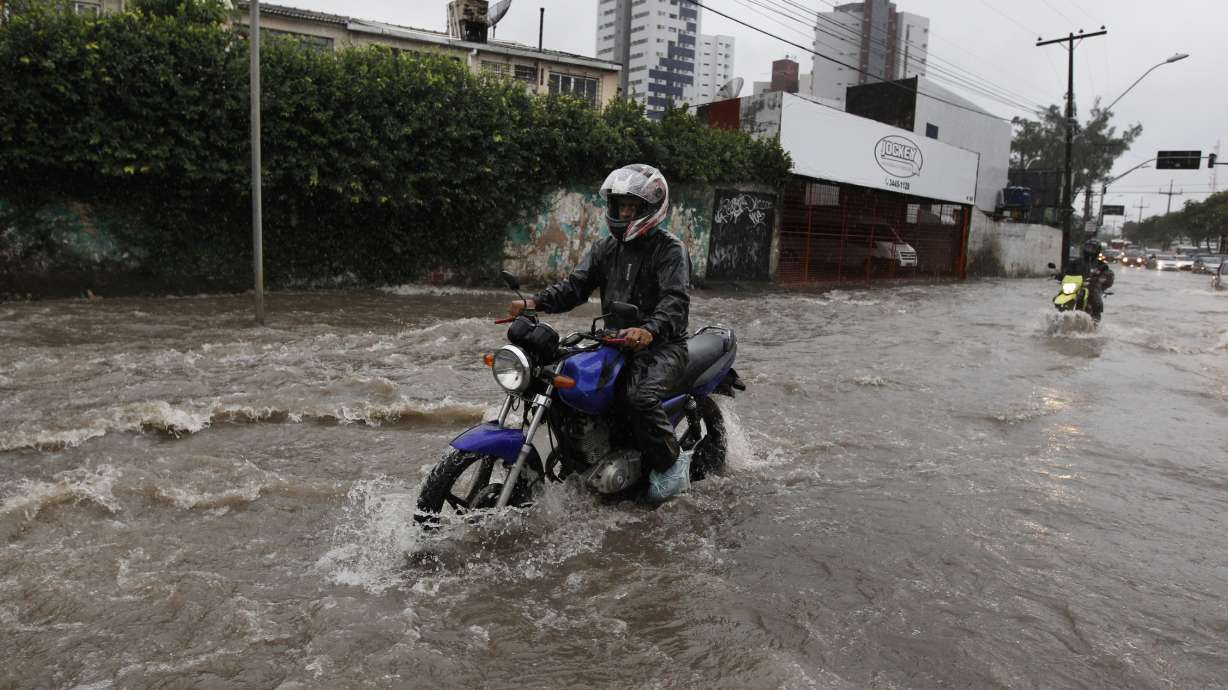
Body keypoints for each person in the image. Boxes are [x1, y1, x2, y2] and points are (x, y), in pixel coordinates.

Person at [507, 164, 692, 501]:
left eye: (631, 207)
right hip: (616, 342)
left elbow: (674, 302)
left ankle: (672, 467)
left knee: (639, 397)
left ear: (650, 208)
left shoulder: (669, 250)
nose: (623, 213)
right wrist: (535, 302)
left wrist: (649, 329)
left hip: (662, 346)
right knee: (564, 380)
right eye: (620, 206)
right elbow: (575, 288)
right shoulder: (606, 249)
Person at [1064, 238, 1115, 320]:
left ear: (1097, 250)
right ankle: (1059, 314)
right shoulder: (1076, 262)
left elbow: (1108, 275)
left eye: (1093, 248)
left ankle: (1094, 321)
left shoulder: (1102, 265)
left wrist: (1101, 279)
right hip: (1075, 286)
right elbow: (1067, 271)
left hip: (1092, 287)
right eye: (1088, 247)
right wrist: (1059, 275)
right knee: (1061, 295)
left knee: (1096, 302)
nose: (1090, 250)